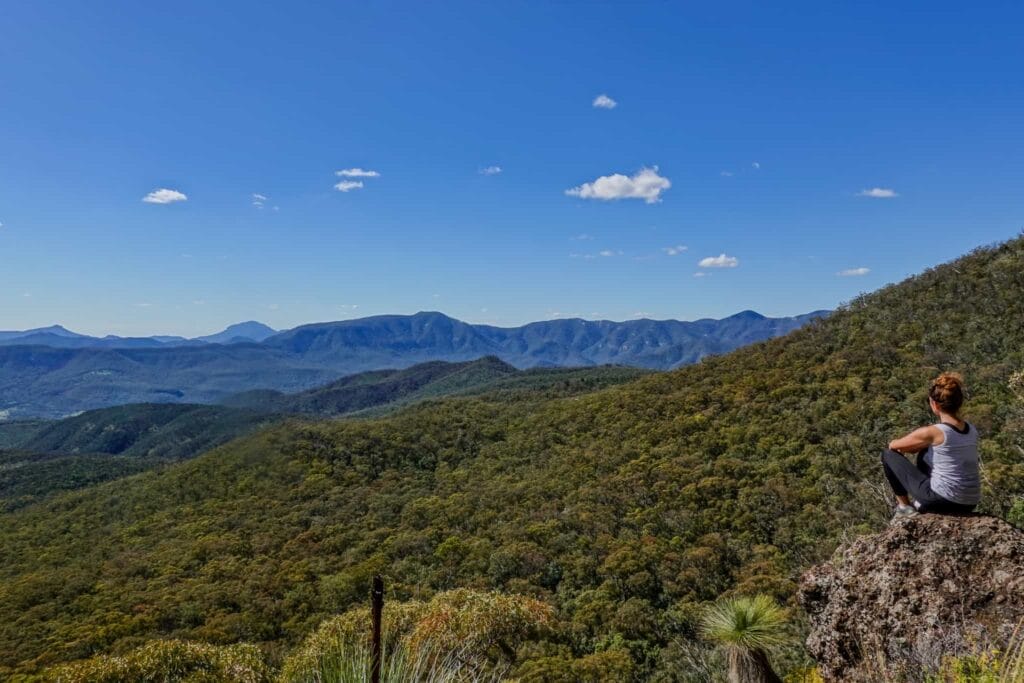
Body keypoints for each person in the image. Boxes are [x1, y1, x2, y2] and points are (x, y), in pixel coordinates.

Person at [881, 372, 981, 520]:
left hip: (942, 499)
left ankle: (904, 508)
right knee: (926, 451)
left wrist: (915, 445)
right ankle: (922, 503)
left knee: (887, 455)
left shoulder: (933, 432)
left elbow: (893, 446)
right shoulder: (971, 430)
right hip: (970, 502)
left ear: (934, 404)